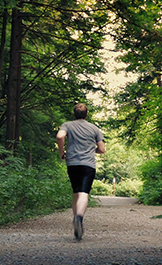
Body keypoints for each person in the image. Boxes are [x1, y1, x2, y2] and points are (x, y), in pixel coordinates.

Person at [56, 103, 106, 240]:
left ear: (74, 115)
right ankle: (79, 217)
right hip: (88, 165)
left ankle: (75, 219)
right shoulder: (94, 129)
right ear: (87, 115)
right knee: (84, 193)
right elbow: (102, 149)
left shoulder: (67, 125)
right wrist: (91, 149)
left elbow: (60, 137)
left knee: (76, 193)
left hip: (72, 163)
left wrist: (62, 152)